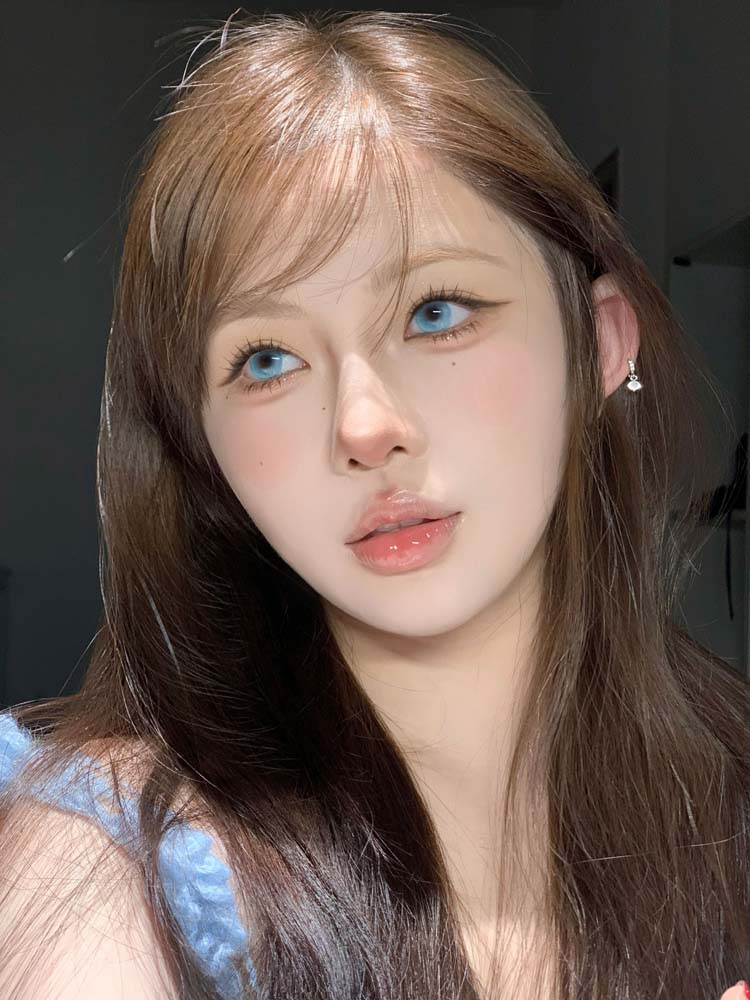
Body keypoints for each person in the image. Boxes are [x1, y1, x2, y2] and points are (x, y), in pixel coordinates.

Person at [1, 9, 749, 999]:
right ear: (203, 446)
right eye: (267, 361)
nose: (364, 425)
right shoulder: (107, 867)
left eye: (436, 311)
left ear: (602, 343)